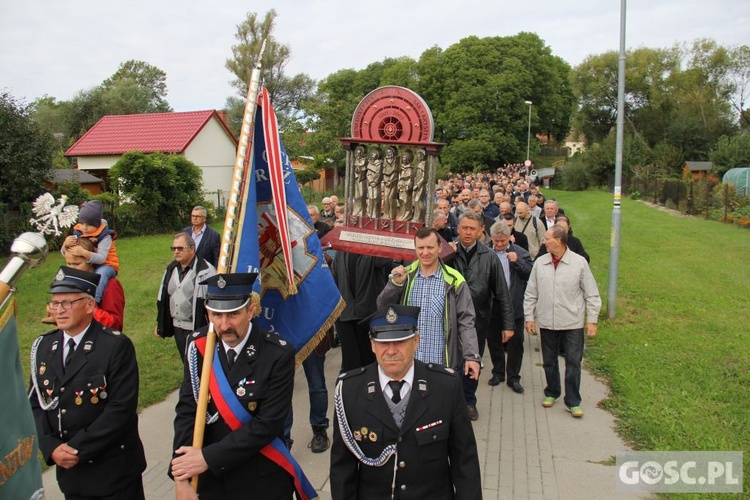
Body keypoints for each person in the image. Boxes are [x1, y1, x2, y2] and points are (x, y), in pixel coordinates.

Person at [330, 304, 482, 499]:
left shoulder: (446, 386)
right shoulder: (349, 390)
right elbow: (342, 470)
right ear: (372, 345)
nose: (391, 351)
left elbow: (465, 462)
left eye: (401, 341)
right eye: (383, 343)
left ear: (416, 341)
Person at [171, 273, 301, 499]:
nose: (224, 325)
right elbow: (186, 411)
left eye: (233, 314)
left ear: (250, 311)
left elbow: (267, 425)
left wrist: (206, 458)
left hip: (259, 479)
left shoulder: (277, 354)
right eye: (216, 315)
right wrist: (181, 476)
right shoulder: (198, 347)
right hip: (211, 481)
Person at [29, 266, 146, 498]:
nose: (58, 311)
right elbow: (35, 403)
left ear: (90, 305)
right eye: (54, 304)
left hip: (112, 472)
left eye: (67, 303)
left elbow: (120, 409)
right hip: (71, 474)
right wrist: (51, 448)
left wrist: (75, 449)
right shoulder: (44, 347)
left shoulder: (115, 346)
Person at [377, 228, 481, 387]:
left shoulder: (454, 280)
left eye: (430, 247)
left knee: (440, 410)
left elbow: (466, 321)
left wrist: (471, 356)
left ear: (440, 248)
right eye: (421, 248)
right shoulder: (405, 275)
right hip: (409, 364)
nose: (425, 252)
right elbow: (382, 308)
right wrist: (394, 285)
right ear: (415, 248)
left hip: (441, 363)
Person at [524, 225, 602, 418]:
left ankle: (573, 401)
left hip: (572, 323)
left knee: (573, 362)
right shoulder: (540, 263)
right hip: (547, 322)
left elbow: (592, 294)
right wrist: (529, 318)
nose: (544, 241)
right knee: (549, 361)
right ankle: (552, 392)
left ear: (558, 240)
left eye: (547, 238)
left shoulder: (579, 263)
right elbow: (531, 293)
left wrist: (592, 321)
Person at [449, 212, 514, 419]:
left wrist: (508, 324)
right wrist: (445, 256)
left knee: (472, 360)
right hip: (448, 318)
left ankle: (469, 400)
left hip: (478, 318)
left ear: (480, 231)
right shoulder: (447, 252)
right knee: (449, 361)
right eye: (464, 227)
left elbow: (502, 293)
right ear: (458, 228)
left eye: (472, 229)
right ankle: (448, 401)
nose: (467, 232)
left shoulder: (489, 257)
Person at [156, 233, 216, 362]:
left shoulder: (207, 270)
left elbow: (214, 302)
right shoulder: (171, 269)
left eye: (180, 248)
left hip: (197, 327)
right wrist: (160, 323)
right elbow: (162, 297)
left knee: (201, 362)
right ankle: (189, 381)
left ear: (192, 249)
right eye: (174, 248)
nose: (176, 251)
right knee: (186, 361)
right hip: (177, 327)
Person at [488, 221, 532, 393]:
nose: (499, 244)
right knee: (493, 341)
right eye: (496, 241)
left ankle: (513, 376)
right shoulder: (486, 252)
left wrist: (518, 261)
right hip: (493, 304)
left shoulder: (520, 252)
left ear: (509, 238)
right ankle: (498, 372)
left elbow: (530, 273)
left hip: (514, 305)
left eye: (503, 241)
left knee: (516, 343)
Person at [332, 252, 391, 372]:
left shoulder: (372, 251)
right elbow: (335, 280)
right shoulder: (341, 253)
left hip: (369, 317)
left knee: (371, 364)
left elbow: (384, 260)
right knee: (351, 366)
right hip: (346, 317)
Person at [53, 237, 125, 331]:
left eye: (77, 264)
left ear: (91, 261)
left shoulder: (110, 285)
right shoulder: (67, 282)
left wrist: (86, 308)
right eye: (69, 264)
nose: (72, 269)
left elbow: (115, 326)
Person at [61, 199, 119, 305]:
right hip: (90, 263)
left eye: (89, 224)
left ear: (97, 224)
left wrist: (83, 253)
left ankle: (94, 302)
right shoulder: (79, 232)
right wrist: (65, 245)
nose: (85, 228)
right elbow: (66, 254)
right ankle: (60, 304)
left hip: (107, 264)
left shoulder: (105, 236)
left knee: (100, 275)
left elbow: (101, 258)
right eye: (82, 223)